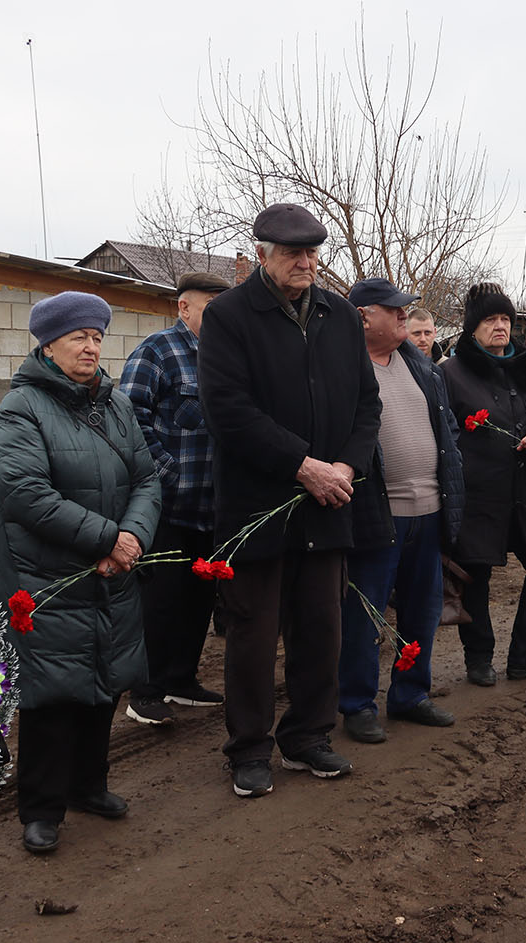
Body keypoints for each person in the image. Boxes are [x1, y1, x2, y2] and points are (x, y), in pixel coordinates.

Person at [199, 203, 381, 797]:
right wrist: (304, 467)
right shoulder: (229, 316)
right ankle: (248, 750)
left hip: (329, 502)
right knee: (253, 634)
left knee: (320, 627)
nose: (304, 263)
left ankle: (307, 736)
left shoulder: (338, 316)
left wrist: (346, 468)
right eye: (290, 253)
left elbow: (365, 404)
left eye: (311, 253)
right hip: (259, 509)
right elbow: (228, 411)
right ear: (260, 254)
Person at [0, 291, 160, 854]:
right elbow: (25, 493)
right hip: (48, 576)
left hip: (111, 569)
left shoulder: (114, 405)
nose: (90, 347)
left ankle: (90, 786)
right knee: (51, 695)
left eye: (96, 337)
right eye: (77, 338)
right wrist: (109, 539)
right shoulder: (23, 408)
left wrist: (130, 538)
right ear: (48, 344)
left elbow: (146, 477)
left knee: (103, 682)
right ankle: (40, 809)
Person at [338, 279, 464, 742]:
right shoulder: (343, 369)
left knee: (422, 609)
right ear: (363, 316)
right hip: (376, 512)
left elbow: (447, 427)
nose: (403, 318)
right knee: (365, 613)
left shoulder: (421, 367)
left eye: (404, 311)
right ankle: (356, 704)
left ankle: (411, 695)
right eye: (394, 311)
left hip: (428, 510)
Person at [441, 283, 526, 684]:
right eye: (490, 320)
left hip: (525, 490)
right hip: (478, 494)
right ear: (472, 327)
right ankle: (478, 658)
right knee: (476, 575)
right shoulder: (450, 372)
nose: (499, 327)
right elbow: (443, 433)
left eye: (505, 319)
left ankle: (525, 653)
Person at [118, 272, 227, 726]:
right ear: (184, 308)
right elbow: (129, 419)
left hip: (214, 503)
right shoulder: (157, 351)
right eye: (210, 307)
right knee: (160, 601)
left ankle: (181, 679)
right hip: (166, 504)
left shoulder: (228, 357)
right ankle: (145, 690)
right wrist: (169, 473)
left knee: (198, 597)